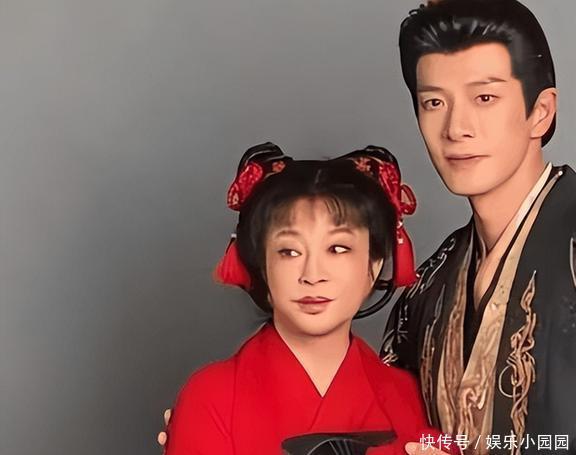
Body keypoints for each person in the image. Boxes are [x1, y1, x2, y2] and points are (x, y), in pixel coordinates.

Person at [381, 0, 576, 453]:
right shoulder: (427, 286)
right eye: (434, 102)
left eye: (484, 98)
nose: (456, 128)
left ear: (541, 111)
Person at [163, 142, 445, 455]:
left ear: (374, 265)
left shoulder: (409, 395)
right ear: (263, 265)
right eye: (289, 251)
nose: (312, 274)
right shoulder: (210, 396)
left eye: (338, 248)